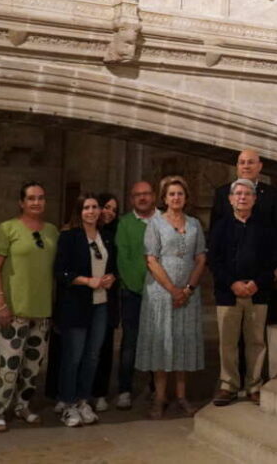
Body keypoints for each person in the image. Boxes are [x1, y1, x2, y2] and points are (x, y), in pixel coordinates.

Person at [0, 181, 58, 432]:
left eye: (41, 198)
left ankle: (23, 405)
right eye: (31, 198)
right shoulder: (6, 229)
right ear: (21, 202)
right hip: (13, 308)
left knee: (32, 365)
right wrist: (0, 303)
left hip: (42, 308)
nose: (37, 202)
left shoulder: (52, 231)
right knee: (8, 364)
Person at [136, 176, 206, 419]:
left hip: (188, 294)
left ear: (186, 198)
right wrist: (173, 290)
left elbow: (200, 258)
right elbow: (151, 259)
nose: (176, 198)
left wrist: (188, 289)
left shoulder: (195, 224)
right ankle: (159, 398)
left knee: (182, 341)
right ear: (164, 198)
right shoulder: (155, 223)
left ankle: (182, 396)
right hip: (161, 293)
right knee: (163, 342)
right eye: (172, 194)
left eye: (180, 194)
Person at [208, 179, 277, 406]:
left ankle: (254, 386)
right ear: (230, 199)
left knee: (256, 342)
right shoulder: (220, 227)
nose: (242, 197)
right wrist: (233, 283)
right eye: (238, 194)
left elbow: (273, 260)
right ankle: (228, 386)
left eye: (247, 194)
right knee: (227, 343)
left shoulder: (265, 228)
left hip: (257, 293)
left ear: (254, 199)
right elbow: (214, 261)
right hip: (228, 294)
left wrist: (257, 283)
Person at [53, 194, 117, 427]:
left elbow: (112, 266)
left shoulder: (106, 237)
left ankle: (83, 400)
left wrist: (111, 277)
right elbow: (61, 272)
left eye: (94, 207)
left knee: (92, 356)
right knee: (74, 356)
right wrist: (87, 281)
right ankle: (68, 404)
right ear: (79, 212)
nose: (91, 211)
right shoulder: (69, 237)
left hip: (101, 303)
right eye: (86, 207)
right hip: (76, 304)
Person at [113, 181, 157, 410]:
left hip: (160, 292)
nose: (142, 198)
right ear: (131, 199)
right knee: (130, 342)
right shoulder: (125, 224)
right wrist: (139, 287)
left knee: (158, 341)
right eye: (137, 195)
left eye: (146, 194)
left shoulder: (163, 220)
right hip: (133, 293)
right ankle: (124, 390)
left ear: (154, 196)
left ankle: (156, 387)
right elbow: (124, 258)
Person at [91, 192, 120, 411]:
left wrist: (114, 276)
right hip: (85, 296)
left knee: (105, 347)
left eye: (114, 210)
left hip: (107, 297)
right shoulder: (82, 232)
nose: (109, 212)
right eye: (106, 207)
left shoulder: (114, 234)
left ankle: (100, 392)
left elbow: (119, 262)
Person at [211, 149, 277, 234]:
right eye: (242, 163)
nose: (246, 166)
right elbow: (215, 230)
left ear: (260, 166)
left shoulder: (272, 194)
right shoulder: (222, 193)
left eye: (250, 162)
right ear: (237, 166)